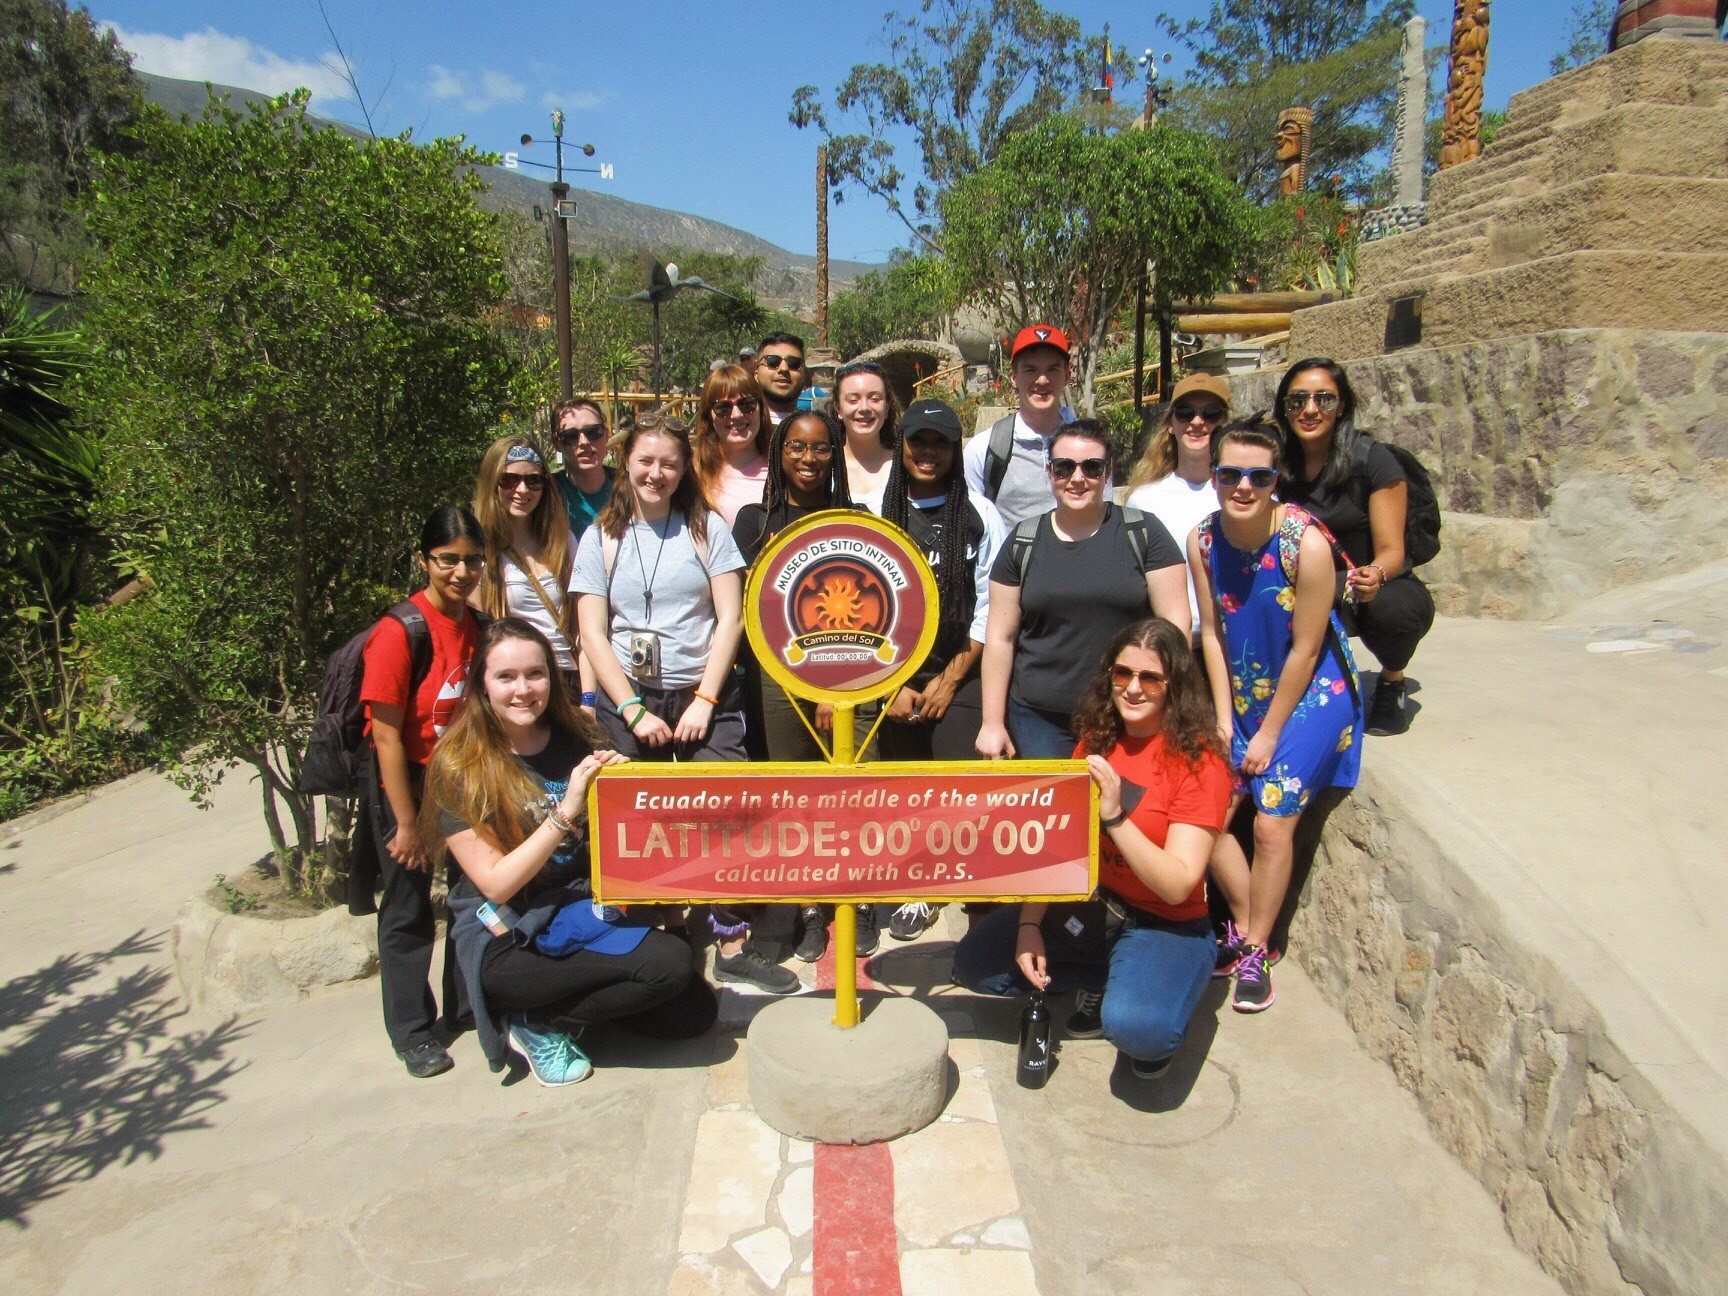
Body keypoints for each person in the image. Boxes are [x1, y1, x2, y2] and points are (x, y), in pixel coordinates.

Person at [422, 618, 717, 1086]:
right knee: (669, 966)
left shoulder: (579, 737)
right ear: (481, 683)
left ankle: (568, 1011)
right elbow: (497, 883)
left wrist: (622, 788)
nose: (523, 689)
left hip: (582, 911)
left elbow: (625, 840)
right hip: (511, 935)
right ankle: (540, 1023)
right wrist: (565, 813)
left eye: (535, 674)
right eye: (506, 677)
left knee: (694, 1015)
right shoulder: (459, 765)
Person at [570, 412, 799, 994]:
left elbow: (732, 617)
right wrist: (630, 709)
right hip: (631, 699)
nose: (656, 473)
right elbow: (593, 634)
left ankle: (730, 936)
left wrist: (704, 698)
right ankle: (655, 934)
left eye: (668, 463)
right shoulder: (602, 536)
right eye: (646, 461)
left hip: (702, 694)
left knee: (724, 812)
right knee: (634, 820)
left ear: (683, 469)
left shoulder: (707, 529)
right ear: (627, 463)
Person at [952, 618, 1232, 1080]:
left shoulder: (1200, 761)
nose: (1133, 689)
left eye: (1150, 677)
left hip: (1167, 922)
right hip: (1095, 904)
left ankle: (1164, 981)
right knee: (975, 965)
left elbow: (1179, 884)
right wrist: (1029, 925)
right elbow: (1060, 850)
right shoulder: (1098, 740)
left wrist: (1116, 818)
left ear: (1175, 684)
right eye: (1122, 674)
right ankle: (1107, 977)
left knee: (1138, 1032)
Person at [1190, 416, 1365, 1013]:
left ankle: (1258, 950)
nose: (1243, 486)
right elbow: (1211, 632)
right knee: (1206, 816)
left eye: (1258, 476)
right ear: (1212, 475)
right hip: (1241, 689)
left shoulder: (1304, 544)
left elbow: (1308, 649)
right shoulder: (1204, 541)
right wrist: (1222, 717)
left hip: (1310, 693)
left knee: (1268, 824)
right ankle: (1243, 927)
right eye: (1230, 473)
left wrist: (1265, 733)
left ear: (1275, 480)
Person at [863, 397, 1004, 942]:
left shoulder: (979, 513)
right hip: (888, 673)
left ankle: (947, 886)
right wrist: (892, 683)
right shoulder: (875, 509)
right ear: (901, 445)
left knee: (953, 783)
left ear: (954, 449)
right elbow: (860, 603)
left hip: (959, 669)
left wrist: (950, 679)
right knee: (903, 786)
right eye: (917, 440)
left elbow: (991, 604)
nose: (928, 452)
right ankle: (911, 880)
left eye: (940, 442)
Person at [356, 506, 489, 1078]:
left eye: (471, 561)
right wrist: (406, 824)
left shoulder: (477, 625)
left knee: (470, 897)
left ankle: (463, 1005)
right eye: (447, 560)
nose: (460, 572)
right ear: (424, 560)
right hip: (404, 781)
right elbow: (386, 736)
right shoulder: (397, 632)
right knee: (408, 909)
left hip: (461, 781)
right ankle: (412, 1030)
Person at [977, 419, 1189, 761]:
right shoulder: (1022, 541)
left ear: (1108, 472)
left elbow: (1174, 627)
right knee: (1053, 813)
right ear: (1050, 472)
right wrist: (992, 723)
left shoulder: (1144, 533)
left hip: (1126, 711)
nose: (1077, 478)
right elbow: (1000, 637)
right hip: (1039, 718)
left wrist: (1167, 702)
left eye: (1092, 467)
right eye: (1064, 467)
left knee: (1121, 812)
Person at [733, 408, 857, 963]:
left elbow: (869, 612)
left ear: (837, 454)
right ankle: (804, 905)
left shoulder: (854, 517)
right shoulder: (751, 522)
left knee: (846, 795)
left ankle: (852, 901)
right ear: (779, 453)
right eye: (797, 448)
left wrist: (834, 690)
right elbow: (743, 609)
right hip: (774, 676)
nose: (809, 460)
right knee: (790, 793)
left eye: (822, 448)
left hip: (848, 675)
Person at [1274, 358, 1435, 736]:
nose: (1310, 409)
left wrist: (1374, 574)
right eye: (1297, 400)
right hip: (1299, 582)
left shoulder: (1372, 460)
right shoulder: (1276, 461)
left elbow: (1392, 550)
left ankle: (1392, 680)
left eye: (1324, 399)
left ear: (1342, 405)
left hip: (1363, 584)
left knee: (1391, 610)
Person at [471, 435, 588, 702]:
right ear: (492, 483)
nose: (523, 490)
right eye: (509, 480)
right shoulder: (480, 550)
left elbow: (583, 631)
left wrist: (589, 699)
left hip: (566, 679)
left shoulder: (563, 541)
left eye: (533, 480)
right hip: (515, 683)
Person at [1124, 374, 1231, 637]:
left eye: (1210, 413)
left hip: (1233, 640)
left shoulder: (1242, 493)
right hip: (1172, 641)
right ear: (1170, 424)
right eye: (1185, 413)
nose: (1197, 422)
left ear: (1225, 424)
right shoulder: (1145, 499)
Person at [963, 324, 1077, 529]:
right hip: (1011, 561)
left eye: (1053, 369)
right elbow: (974, 529)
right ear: (1013, 377)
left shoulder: (1090, 448)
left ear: (1067, 375)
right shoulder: (985, 450)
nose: (1042, 380)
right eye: (1030, 370)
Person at [692, 366, 771, 526]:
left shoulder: (782, 470)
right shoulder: (692, 472)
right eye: (723, 408)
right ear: (709, 416)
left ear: (761, 408)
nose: (736, 415)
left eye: (747, 404)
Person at [831, 359, 900, 500]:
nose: (864, 408)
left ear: (886, 408)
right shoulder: (825, 467)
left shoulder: (903, 466)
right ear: (838, 408)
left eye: (874, 399)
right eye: (853, 400)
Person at [554, 399, 614, 538]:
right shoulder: (546, 495)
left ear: (606, 434)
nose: (584, 442)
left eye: (593, 432)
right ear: (556, 443)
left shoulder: (630, 489)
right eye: (570, 436)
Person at [752, 331, 807, 426]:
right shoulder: (741, 427)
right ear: (756, 374)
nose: (784, 368)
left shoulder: (817, 429)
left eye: (794, 363)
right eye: (772, 361)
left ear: (804, 375)